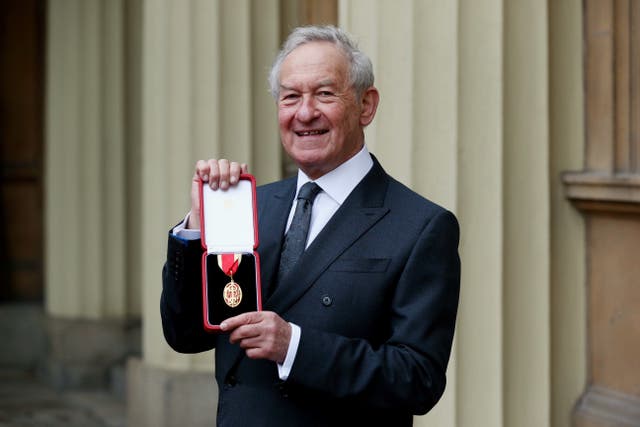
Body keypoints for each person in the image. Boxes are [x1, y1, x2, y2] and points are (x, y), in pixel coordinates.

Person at [161, 25, 460, 427]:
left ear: (365, 106)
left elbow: (417, 379)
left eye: (324, 94)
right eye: (290, 97)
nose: (304, 113)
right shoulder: (252, 206)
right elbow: (186, 336)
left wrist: (294, 347)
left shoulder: (421, 226)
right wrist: (198, 223)